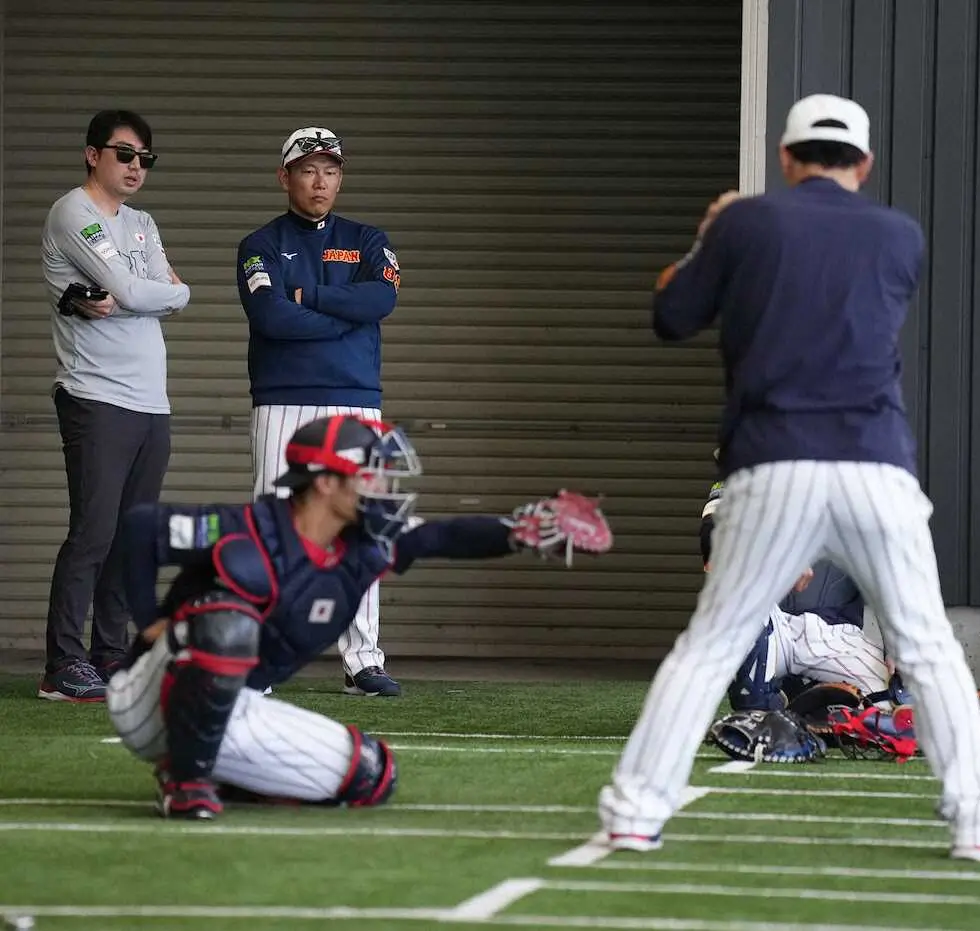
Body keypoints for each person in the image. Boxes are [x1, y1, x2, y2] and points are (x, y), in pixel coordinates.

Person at [598, 93, 980, 862]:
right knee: (926, 644)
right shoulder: (902, 235)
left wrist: (711, 236)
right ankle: (978, 823)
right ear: (864, 163)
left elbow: (671, 315)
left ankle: (633, 813)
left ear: (788, 159)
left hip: (773, 460)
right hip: (874, 462)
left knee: (711, 643)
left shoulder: (747, 223)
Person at [106, 413, 608, 819]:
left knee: (370, 774)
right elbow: (138, 528)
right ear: (325, 482)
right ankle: (186, 785)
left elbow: (440, 536)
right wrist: (148, 620)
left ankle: (223, 773)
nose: (384, 487)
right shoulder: (246, 529)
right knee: (226, 621)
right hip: (151, 697)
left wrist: (517, 531)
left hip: (230, 707)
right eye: (371, 475)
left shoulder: (363, 549)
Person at [236, 126, 403, 697]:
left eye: (330, 170)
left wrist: (307, 295)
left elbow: (381, 299)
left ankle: (363, 660)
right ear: (285, 176)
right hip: (282, 398)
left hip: (355, 397)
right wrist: (344, 319)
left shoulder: (368, 239)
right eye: (308, 169)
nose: (320, 180)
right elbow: (270, 318)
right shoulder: (259, 243)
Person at [38, 109, 191, 703]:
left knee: (130, 538)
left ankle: (109, 654)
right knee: (94, 532)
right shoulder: (73, 211)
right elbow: (136, 290)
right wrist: (159, 293)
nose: (135, 167)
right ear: (92, 154)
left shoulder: (143, 222)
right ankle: (62, 664)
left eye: (144, 159)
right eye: (124, 154)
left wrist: (173, 292)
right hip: (95, 396)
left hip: (152, 403)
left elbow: (168, 293)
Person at [700, 479, 890, 709]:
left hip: (836, 633)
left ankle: (808, 707)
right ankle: (761, 706)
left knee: (891, 710)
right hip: (770, 622)